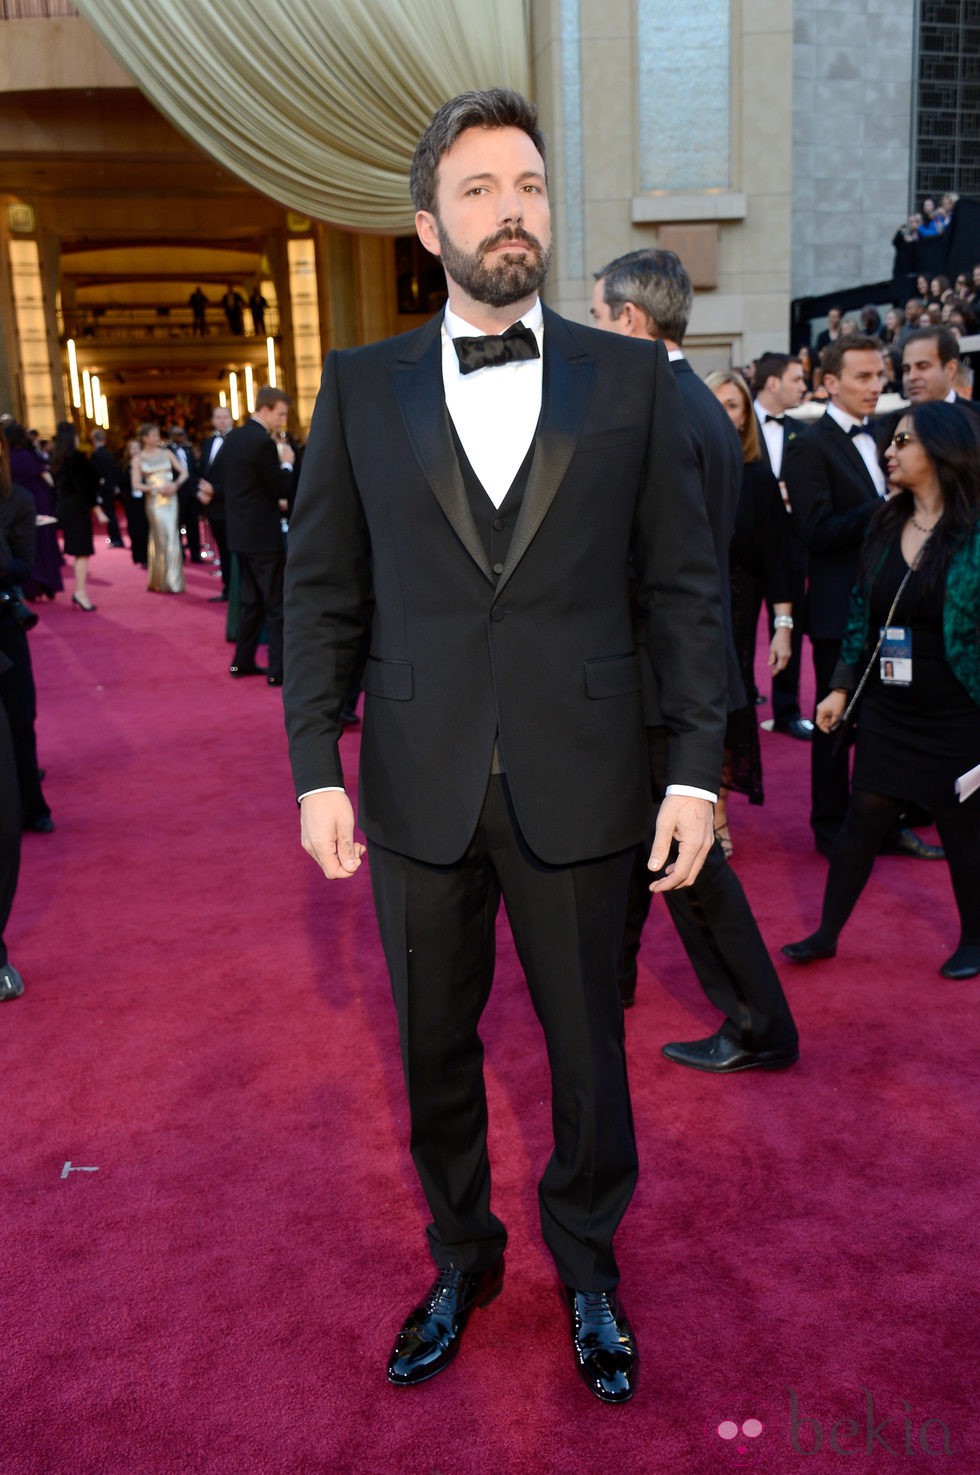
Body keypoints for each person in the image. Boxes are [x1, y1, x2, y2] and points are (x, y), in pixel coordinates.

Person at [283, 89, 726, 1403]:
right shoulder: (359, 386)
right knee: (430, 1048)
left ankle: (588, 1264)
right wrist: (316, 763)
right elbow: (321, 592)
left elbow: (685, 592)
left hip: (588, 774)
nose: (508, 209)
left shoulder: (634, 376)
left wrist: (696, 767)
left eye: (527, 184)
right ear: (429, 225)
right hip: (416, 783)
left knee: (590, 1046)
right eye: (476, 189)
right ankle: (463, 1255)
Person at [589, 251, 798, 1074]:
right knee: (649, 845)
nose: (598, 333)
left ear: (632, 321)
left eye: (602, 318)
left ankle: (758, 1020)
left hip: (658, 673)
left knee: (687, 860)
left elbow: (653, 565)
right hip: (678, 666)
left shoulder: (658, 409)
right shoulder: (703, 405)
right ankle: (616, 978)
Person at [783, 402, 980, 980]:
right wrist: (841, 687)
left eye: (902, 442)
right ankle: (825, 933)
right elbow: (858, 616)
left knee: (960, 824)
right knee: (864, 813)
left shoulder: (973, 532)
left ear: (941, 452)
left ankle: (974, 938)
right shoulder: (884, 521)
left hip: (959, 707)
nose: (888, 452)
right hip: (891, 705)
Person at [708, 369, 795, 839]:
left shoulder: (758, 477)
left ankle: (717, 810)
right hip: (691, 607)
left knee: (730, 704)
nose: (724, 413)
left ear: (746, 417)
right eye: (715, 403)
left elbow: (779, 559)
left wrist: (782, 626)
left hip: (739, 612)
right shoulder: (683, 470)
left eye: (733, 405)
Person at [751, 351, 812, 741]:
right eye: (797, 379)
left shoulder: (802, 435)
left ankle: (786, 710)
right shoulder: (733, 426)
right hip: (739, 545)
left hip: (788, 546)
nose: (803, 386)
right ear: (773, 383)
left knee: (787, 625)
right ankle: (739, 698)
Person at [0, 427, 53, 834]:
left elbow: (24, 566)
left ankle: (32, 807)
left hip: (4, 624)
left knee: (20, 717)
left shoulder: (16, 500)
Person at [222, 386, 294, 683]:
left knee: (251, 600)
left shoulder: (234, 437)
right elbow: (279, 487)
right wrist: (287, 463)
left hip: (239, 533)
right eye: (281, 414)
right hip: (262, 535)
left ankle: (242, 663)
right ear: (265, 409)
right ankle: (278, 672)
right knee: (275, 603)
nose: (283, 420)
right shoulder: (261, 443)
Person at [49, 422, 105, 612]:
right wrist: (96, 508)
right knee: (82, 551)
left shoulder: (56, 459)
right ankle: (80, 592)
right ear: (73, 437)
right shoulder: (76, 459)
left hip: (65, 508)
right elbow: (89, 483)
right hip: (78, 509)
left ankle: (80, 591)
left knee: (80, 551)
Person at [4, 420, 62, 600]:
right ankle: (48, 583)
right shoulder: (31, 456)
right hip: (39, 501)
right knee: (44, 543)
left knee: (21, 544)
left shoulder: (5, 458)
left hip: (13, 504)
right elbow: (48, 480)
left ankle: (29, 587)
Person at [130, 424, 188, 594]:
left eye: (157, 435)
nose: (156, 438)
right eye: (153, 435)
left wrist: (175, 485)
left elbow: (184, 473)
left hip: (171, 499)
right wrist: (155, 489)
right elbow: (136, 484)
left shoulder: (167, 453)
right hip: (154, 502)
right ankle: (159, 580)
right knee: (159, 538)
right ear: (144, 438)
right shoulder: (138, 459)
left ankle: (174, 581)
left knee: (172, 535)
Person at [196, 404, 234, 600]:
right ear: (212, 420)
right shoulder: (208, 443)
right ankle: (227, 588)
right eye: (218, 417)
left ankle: (235, 590)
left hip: (231, 505)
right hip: (212, 506)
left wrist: (215, 491)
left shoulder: (237, 442)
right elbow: (202, 471)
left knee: (232, 551)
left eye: (225, 417)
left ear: (231, 419)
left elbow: (238, 477)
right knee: (221, 548)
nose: (221, 420)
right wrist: (201, 491)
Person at [90, 429, 126, 548]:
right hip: (111, 486)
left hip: (103, 488)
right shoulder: (109, 453)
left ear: (94, 439)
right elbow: (114, 470)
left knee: (109, 514)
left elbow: (96, 473)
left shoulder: (95, 454)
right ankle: (116, 538)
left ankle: (116, 539)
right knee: (111, 513)